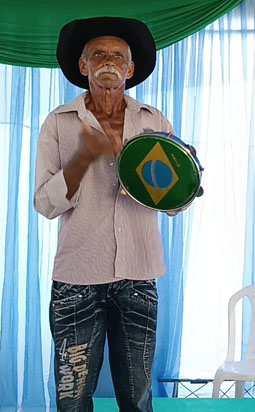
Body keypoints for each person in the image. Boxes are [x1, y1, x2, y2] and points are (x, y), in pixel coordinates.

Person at [34, 17, 176, 412]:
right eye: (98, 54)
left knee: (137, 398)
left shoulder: (154, 120)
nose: (108, 61)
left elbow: (173, 200)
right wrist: (80, 161)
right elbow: (44, 204)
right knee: (73, 400)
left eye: (118, 55)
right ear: (83, 66)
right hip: (77, 277)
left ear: (131, 69)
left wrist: (185, 179)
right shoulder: (58, 123)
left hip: (139, 274)